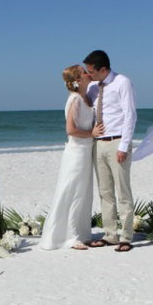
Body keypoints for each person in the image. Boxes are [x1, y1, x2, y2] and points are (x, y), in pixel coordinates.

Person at [40, 65, 104, 250]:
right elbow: (71, 130)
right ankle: (71, 237)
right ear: (78, 79)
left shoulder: (86, 97)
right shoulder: (75, 99)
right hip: (76, 153)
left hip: (86, 151)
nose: (88, 73)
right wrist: (92, 133)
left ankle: (82, 234)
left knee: (84, 192)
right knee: (73, 191)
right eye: (84, 72)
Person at [84, 49, 137, 252]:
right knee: (105, 192)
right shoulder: (92, 86)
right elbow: (84, 105)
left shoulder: (122, 82)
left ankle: (126, 236)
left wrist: (124, 145)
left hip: (117, 141)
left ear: (103, 69)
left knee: (123, 190)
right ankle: (110, 234)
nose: (89, 75)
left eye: (92, 71)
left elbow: (130, 115)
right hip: (98, 143)